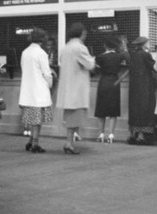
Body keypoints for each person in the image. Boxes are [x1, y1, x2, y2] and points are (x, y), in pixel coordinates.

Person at [56, 23, 96, 154]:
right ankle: (69, 143)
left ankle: (70, 142)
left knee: (70, 118)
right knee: (75, 118)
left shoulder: (65, 48)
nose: (85, 35)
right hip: (77, 89)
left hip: (67, 88)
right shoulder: (80, 48)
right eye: (84, 33)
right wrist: (93, 60)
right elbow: (89, 65)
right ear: (80, 33)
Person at [18, 28, 54, 153]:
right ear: (42, 39)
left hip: (28, 90)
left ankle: (30, 141)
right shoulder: (41, 53)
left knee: (32, 118)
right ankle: (35, 143)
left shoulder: (25, 52)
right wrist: (49, 85)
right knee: (37, 120)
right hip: (39, 90)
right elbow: (47, 73)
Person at [94, 37, 129, 144]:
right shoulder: (119, 56)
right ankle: (111, 135)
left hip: (103, 81)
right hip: (115, 81)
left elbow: (93, 67)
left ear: (105, 46)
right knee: (113, 110)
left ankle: (101, 134)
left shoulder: (100, 57)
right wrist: (121, 78)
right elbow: (129, 64)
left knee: (101, 110)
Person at [127, 36, 157, 145]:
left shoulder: (132, 54)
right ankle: (141, 135)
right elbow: (155, 67)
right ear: (144, 44)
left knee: (134, 108)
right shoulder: (146, 55)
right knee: (145, 108)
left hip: (134, 86)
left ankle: (132, 134)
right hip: (145, 85)